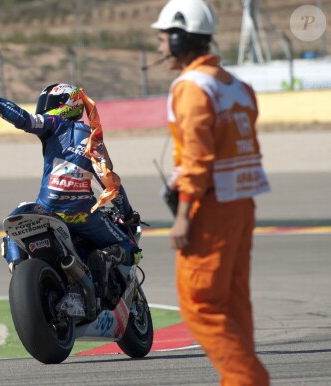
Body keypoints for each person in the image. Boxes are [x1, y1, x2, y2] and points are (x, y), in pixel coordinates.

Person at [150, 0, 271, 385]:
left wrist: (184, 215)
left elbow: (198, 161)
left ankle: (247, 380)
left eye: (163, 37)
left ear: (181, 36)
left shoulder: (190, 88)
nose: (159, 47)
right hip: (241, 206)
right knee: (234, 303)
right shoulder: (237, 86)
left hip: (210, 208)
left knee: (200, 304)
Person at [0, 69, 141, 279]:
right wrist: (127, 214)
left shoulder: (53, 124)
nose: (44, 109)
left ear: (67, 104)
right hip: (82, 213)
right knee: (130, 248)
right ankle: (106, 258)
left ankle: (18, 268)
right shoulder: (94, 140)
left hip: (46, 207)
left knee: (12, 230)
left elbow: (21, 118)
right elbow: (110, 183)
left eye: (49, 104)